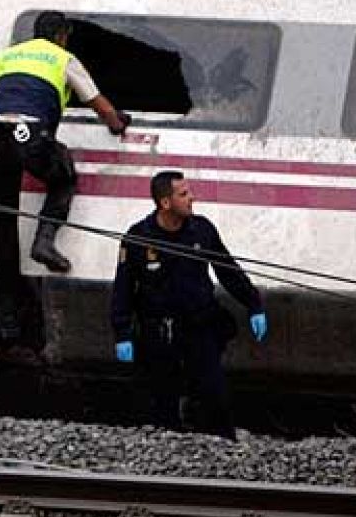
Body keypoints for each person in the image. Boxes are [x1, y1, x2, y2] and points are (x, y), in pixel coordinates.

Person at [111, 170, 268, 439]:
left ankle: (220, 442)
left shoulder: (202, 230)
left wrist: (254, 304)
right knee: (163, 403)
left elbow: (227, 270)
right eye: (183, 194)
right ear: (165, 203)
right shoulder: (139, 237)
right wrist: (122, 332)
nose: (192, 198)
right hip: (160, 332)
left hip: (199, 326)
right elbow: (123, 289)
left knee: (214, 393)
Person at [0, 10, 131, 275]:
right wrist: (117, 123)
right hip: (29, 133)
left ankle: (5, 291)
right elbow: (96, 102)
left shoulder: (7, 56)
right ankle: (44, 242)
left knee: (1, 217)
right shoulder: (63, 58)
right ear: (61, 36)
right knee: (63, 178)